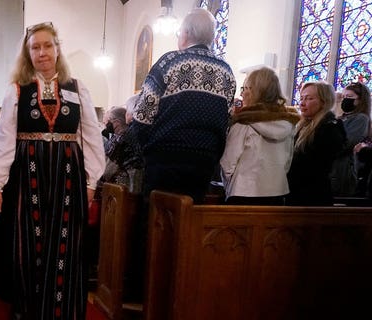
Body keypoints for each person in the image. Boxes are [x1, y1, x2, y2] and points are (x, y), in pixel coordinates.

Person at [0, 21, 106, 319]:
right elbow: (3, 139)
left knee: (66, 244)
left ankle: (63, 312)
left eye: (47, 45)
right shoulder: (17, 91)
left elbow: (91, 137)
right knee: (30, 244)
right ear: (28, 53)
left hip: (69, 175)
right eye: (35, 47)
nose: (42, 52)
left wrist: (91, 182)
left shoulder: (78, 88)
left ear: (57, 49)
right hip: (28, 175)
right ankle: (30, 311)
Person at [128, 8, 236, 204]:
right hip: (204, 164)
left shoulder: (169, 62)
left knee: (157, 221)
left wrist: (147, 150)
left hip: (164, 160)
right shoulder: (226, 71)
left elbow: (142, 116)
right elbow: (226, 122)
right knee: (188, 220)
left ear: (186, 33)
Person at [219, 67, 300, 205]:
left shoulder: (244, 122)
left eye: (245, 88)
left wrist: (229, 188)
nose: (242, 94)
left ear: (254, 92)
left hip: (243, 193)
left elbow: (228, 164)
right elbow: (287, 161)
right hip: (277, 193)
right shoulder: (288, 124)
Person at [287, 81, 346, 206]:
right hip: (296, 192)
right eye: (301, 98)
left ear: (324, 102)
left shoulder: (330, 127)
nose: (302, 103)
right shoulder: (304, 124)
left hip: (313, 195)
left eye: (309, 98)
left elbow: (316, 164)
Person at [330, 82, 371, 196]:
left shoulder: (361, 118)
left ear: (360, 100)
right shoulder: (341, 117)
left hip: (343, 169)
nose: (344, 100)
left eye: (349, 97)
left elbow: (347, 143)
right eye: (343, 97)